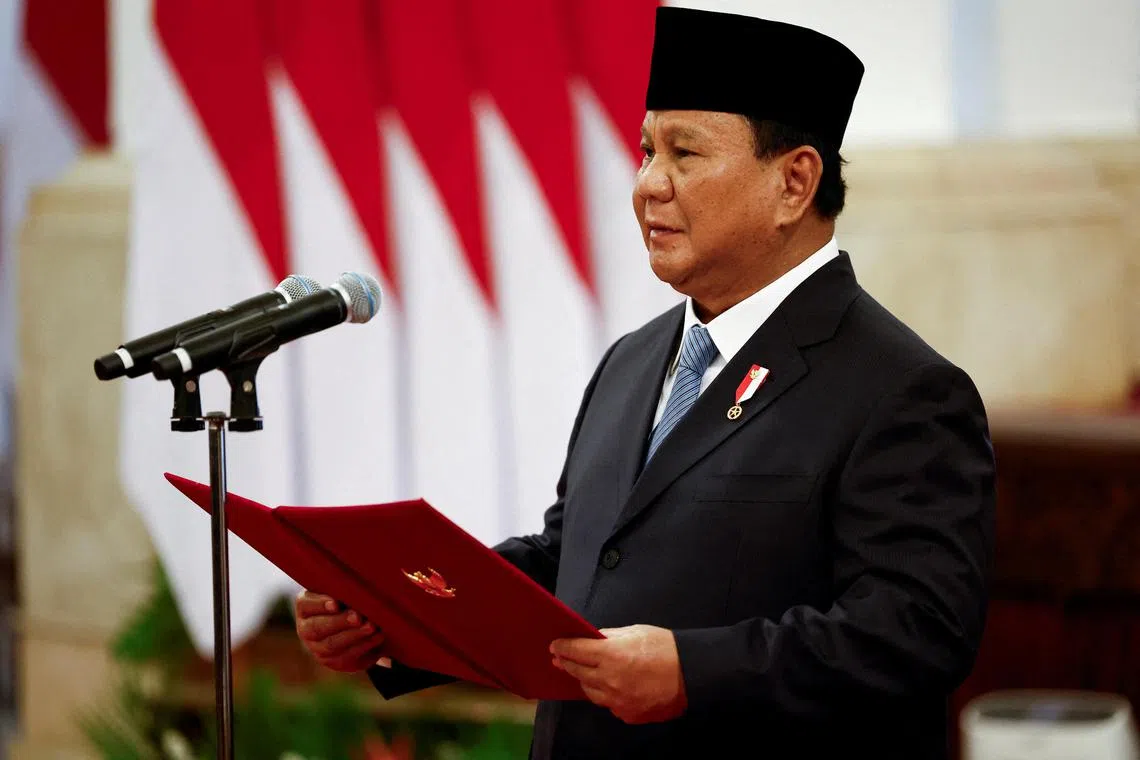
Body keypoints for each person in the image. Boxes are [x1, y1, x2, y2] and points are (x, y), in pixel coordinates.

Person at [293, 7, 996, 758]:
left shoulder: (902, 390)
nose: (647, 185)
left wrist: (695, 672)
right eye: (645, 149)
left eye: (684, 153)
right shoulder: (633, 360)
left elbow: (915, 632)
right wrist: (396, 616)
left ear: (795, 182)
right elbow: (578, 563)